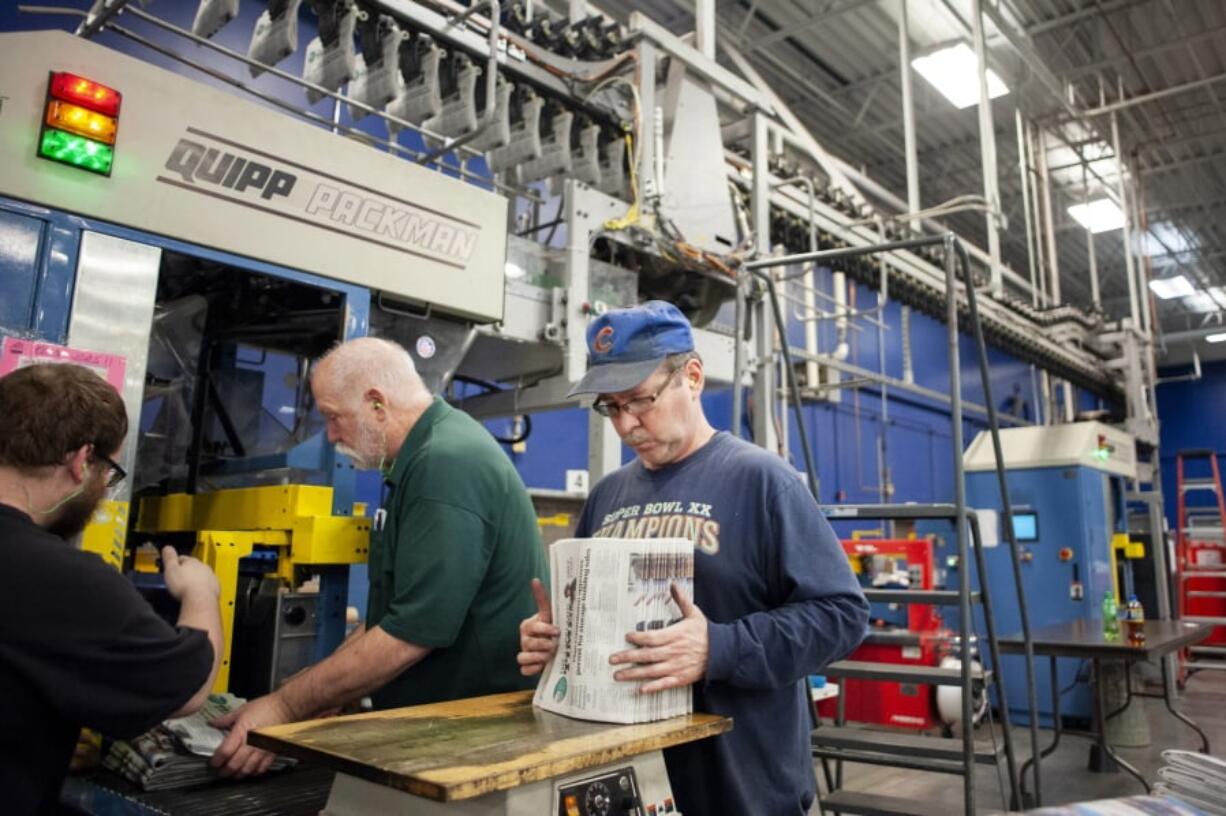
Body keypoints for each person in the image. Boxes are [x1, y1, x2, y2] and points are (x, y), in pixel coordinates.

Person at [518, 301, 869, 816]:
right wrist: (557, 643)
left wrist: (720, 648)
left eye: (641, 399)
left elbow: (843, 615)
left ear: (694, 377)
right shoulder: (607, 496)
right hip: (633, 783)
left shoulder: (762, 482)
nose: (627, 424)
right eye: (611, 407)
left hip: (741, 787)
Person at [211, 337, 548, 777]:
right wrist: (322, 691)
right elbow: (393, 614)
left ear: (376, 404)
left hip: (477, 744)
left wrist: (286, 706)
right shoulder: (418, 461)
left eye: (333, 417)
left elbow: (411, 633)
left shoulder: (446, 464)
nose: (330, 436)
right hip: (441, 734)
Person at [0, 363, 222, 816]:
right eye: (110, 472)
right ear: (82, 461)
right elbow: (187, 690)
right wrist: (201, 591)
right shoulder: (58, 576)